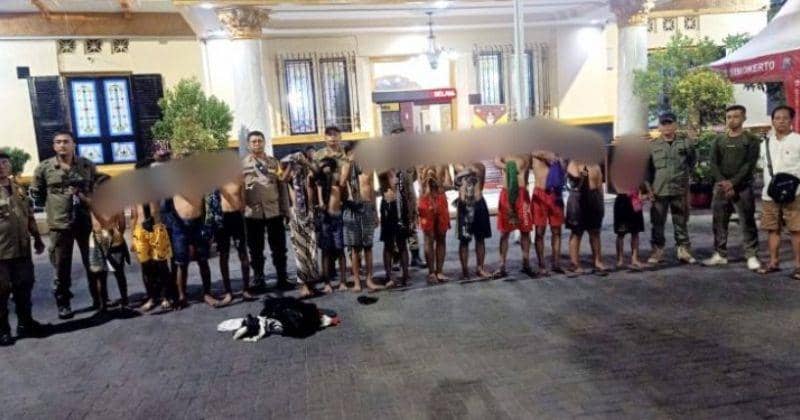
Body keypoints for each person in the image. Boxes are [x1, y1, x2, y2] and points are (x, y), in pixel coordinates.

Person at [31, 129, 98, 319]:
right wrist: (55, 206)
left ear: (74, 144)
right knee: (61, 266)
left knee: (93, 262)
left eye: (66, 141)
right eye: (58, 142)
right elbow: (38, 194)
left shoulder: (87, 165)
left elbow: (95, 190)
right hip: (60, 223)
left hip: (85, 222)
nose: (62, 145)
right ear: (54, 146)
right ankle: (63, 303)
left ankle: (99, 298)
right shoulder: (44, 168)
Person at [703, 105, 761, 271]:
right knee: (719, 221)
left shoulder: (751, 140)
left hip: (743, 188)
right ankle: (720, 254)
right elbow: (713, 163)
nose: (732, 120)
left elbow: (749, 165)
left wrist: (733, 183)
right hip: (721, 187)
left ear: (744, 118)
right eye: (729, 117)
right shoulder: (719, 140)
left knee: (747, 221)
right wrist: (723, 182)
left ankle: (751, 255)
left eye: (736, 116)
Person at [0, 152, 48, 346]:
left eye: (4, 162)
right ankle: (3, 330)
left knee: (24, 286)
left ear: (10, 165)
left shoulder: (18, 188)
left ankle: (25, 323)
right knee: (1, 292)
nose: (1, 166)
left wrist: (37, 238)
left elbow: (29, 215)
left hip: (22, 249)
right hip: (1, 252)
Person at [162, 155, 218, 309]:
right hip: (179, 226)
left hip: (199, 224)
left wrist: (209, 227)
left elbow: (209, 205)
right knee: (181, 263)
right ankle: (182, 296)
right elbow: (165, 208)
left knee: (203, 260)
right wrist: (173, 225)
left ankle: (207, 293)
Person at [646, 112, 697, 265]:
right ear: (659, 127)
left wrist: (685, 179)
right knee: (657, 223)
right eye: (664, 124)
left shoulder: (685, 143)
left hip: (679, 189)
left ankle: (683, 250)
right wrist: (648, 189)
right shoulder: (652, 145)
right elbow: (646, 170)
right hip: (659, 190)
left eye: (670, 123)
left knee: (681, 221)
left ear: (675, 125)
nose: (667, 126)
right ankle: (658, 251)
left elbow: (692, 162)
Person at [243, 131, 291, 291]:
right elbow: (239, 190)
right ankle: (259, 280)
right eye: (254, 142)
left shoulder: (274, 163)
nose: (257, 144)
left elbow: (282, 186)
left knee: (279, 248)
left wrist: (286, 210)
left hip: (273, 211)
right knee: (255, 249)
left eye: (259, 141)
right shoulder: (242, 165)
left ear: (264, 143)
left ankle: (282, 278)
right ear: (248, 145)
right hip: (253, 213)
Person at [757, 105, 800, 279]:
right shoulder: (765, 143)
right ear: (772, 121)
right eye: (777, 118)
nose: (781, 121)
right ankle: (773, 263)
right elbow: (761, 166)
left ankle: (799, 267)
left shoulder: (798, 141)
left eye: (785, 118)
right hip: (770, 194)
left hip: (795, 194)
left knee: (796, 230)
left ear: (791, 120)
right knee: (772, 229)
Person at [130, 159, 174, 312]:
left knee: (161, 264)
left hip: (156, 228)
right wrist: (132, 237)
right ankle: (152, 297)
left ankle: (166, 296)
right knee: (145, 266)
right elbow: (134, 214)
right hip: (140, 229)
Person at [341, 145, 382, 292]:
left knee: (368, 247)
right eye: (352, 153)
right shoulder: (345, 166)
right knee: (354, 248)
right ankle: (357, 281)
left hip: (367, 208)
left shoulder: (368, 167)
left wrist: (375, 212)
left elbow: (372, 190)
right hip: (351, 209)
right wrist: (349, 163)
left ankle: (369, 279)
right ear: (347, 154)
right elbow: (341, 183)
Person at [281, 151, 321, 298]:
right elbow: (283, 179)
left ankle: (312, 283)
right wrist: (291, 164)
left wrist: (305, 162)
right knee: (300, 251)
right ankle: (303, 285)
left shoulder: (309, 172)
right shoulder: (291, 173)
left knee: (312, 251)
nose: (298, 161)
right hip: (296, 214)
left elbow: (317, 173)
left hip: (310, 214)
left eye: (300, 157)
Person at [87, 174, 130, 311]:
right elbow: (121, 224)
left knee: (103, 274)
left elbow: (119, 223)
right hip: (106, 238)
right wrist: (118, 235)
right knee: (114, 273)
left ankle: (105, 304)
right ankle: (121, 301)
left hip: (102, 237)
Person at [494, 155, 535, 278]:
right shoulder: (503, 151)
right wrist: (508, 166)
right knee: (504, 232)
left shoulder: (526, 154)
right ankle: (502, 265)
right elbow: (496, 161)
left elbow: (528, 165)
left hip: (522, 195)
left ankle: (526, 263)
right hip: (506, 194)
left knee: (525, 231)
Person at [565, 160, 607, 276]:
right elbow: (576, 184)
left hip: (594, 198)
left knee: (595, 232)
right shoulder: (574, 163)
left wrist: (601, 204)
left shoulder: (596, 165)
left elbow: (599, 186)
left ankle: (597, 262)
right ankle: (574, 264)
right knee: (576, 233)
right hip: (578, 198)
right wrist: (584, 171)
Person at [216, 174, 252, 304]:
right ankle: (228, 292)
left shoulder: (238, 178)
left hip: (236, 217)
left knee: (243, 253)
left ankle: (246, 289)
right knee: (223, 255)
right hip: (222, 218)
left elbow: (243, 201)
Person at [452, 162, 493, 280]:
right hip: (464, 206)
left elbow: (481, 185)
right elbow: (456, 182)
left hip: (479, 203)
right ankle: (465, 271)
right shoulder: (457, 164)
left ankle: (480, 268)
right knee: (464, 240)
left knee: (480, 239)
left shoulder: (480, 166)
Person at [314, 156, 347, 293]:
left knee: (340, 250)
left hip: (337, 217)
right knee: (326, 251)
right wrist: (321, 203)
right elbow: (320, 198)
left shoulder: (337, 178)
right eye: (323, 167)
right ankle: (327, 283)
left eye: (327, 166)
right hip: (325, 218)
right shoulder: (320, 181)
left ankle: (343, 281)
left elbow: (343, 187)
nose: (325, 169)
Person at [531, 151, 565, 274]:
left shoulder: (556, 149)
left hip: (555, 193)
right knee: (540, 231)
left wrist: (560, 161)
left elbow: (563, 167)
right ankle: (542, 265)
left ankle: (556, 263)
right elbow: (536, 152)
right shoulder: (535, 150)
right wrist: (551, 156)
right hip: (540, 193)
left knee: (557, 231)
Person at [417, 164, 452, 284]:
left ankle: (440, 271)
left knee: (441, 237)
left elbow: (449, 183)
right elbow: (421, 187)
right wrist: (427, 179)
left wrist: (438, 184)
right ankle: (431, 272)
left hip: (440, 199)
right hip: (425, 200)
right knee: (429, 238)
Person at [378, 169, 410, 288]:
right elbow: (382, 176)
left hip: (400, 201)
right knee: (388, 243)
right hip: (389, 201)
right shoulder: (384, 169)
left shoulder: (399, 169)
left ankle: (405, 275)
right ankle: (389, 275)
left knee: (402, 243)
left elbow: (406, 181)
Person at [613, 186, 647, 270]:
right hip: (622, 200)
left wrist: (641, 194)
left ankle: (634, 259)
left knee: (635, 232)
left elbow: (641, 184)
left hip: (635, 200)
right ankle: (620, 260)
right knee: (620, 233)